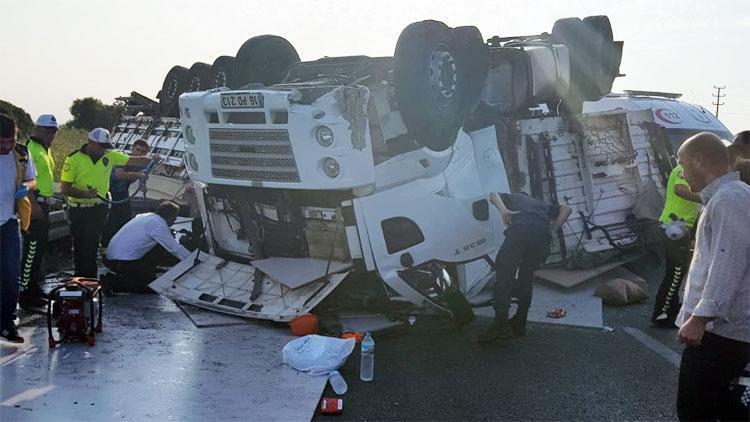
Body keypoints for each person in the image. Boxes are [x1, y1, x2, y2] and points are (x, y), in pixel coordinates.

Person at [674, 132, 750, 421]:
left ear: (699, 160)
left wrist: (701, 317)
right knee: (721, 408)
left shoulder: (730, 199)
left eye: (682, 164)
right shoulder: (725, 197)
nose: (681, 172)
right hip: (719, 331)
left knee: (696, 410)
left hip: (719, 333)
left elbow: (727, 262)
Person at [60, 128, 156, 278]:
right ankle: (79, 276)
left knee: (91, 244)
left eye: (106, 146)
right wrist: (85, 194)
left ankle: (90, 279)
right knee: (79, 244)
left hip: (99, 207)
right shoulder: (73, 159)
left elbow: (134, 160)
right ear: (90, 142)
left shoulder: (109, 155)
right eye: (101, 146)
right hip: (77, 209)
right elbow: (65, 188)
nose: (104, 149)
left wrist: (152, 159)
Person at [478, 192, 571, 343]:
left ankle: (501, 326)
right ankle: (520, 322)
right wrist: (553, 229)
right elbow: (567, 209)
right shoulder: (543, 205)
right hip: (542, 237)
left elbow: (492, 194)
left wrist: (504, 212)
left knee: (504, 275)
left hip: (521, 229)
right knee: (526, 277)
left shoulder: (514, 197)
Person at [650, 164, 702, 328]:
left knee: (677, 273)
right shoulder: (684, 169)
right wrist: (705, 197)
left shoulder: (690, 168)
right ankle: (661, 315)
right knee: (675, 273)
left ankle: (671, 308)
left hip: (679, 227)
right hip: (674, 227)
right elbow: (679, 189)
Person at [0, 113, 36, 343]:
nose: (6, 146)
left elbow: (33, 180)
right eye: (1, 143)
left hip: (9, 223)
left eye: (10, 141)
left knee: (11, 276)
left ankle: (6, 323)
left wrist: (26, 185)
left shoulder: (22, 153)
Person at [103, 201, 190, 292]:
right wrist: (191, 259)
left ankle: (148, 270)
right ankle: (112, 282)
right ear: (170, 216)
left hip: (113, 257)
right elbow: (174, 248)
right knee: (151, 287)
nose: (174, 221)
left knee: (157, 245)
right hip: (121, 262)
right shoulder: (158, 225)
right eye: (174, 218)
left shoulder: (145, 216)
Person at [19, 114, 59, 310]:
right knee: (31, 250)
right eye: (47, 130)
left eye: (53, 131)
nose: (51, 135)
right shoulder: (30, 149)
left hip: (44, 204)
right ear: (37, 130)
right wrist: (33, 205)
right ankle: (25, 293)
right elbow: (24, 180)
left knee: (39, 250)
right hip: (34, 205)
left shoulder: (45, 149)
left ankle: (33, 288)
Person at [101, 139, 150, 247]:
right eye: (138, 150)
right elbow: (120, 175)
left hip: (123, 193)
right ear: (132, 149)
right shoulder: (122, 158)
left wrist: (142, 186)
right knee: (110, 221)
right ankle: (105, 246)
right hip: (109, 191)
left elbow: (143, 177)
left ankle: (121, 244)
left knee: (125, 219)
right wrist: (138, 175)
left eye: (143, 152)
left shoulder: (143, 164)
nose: (139, 154)